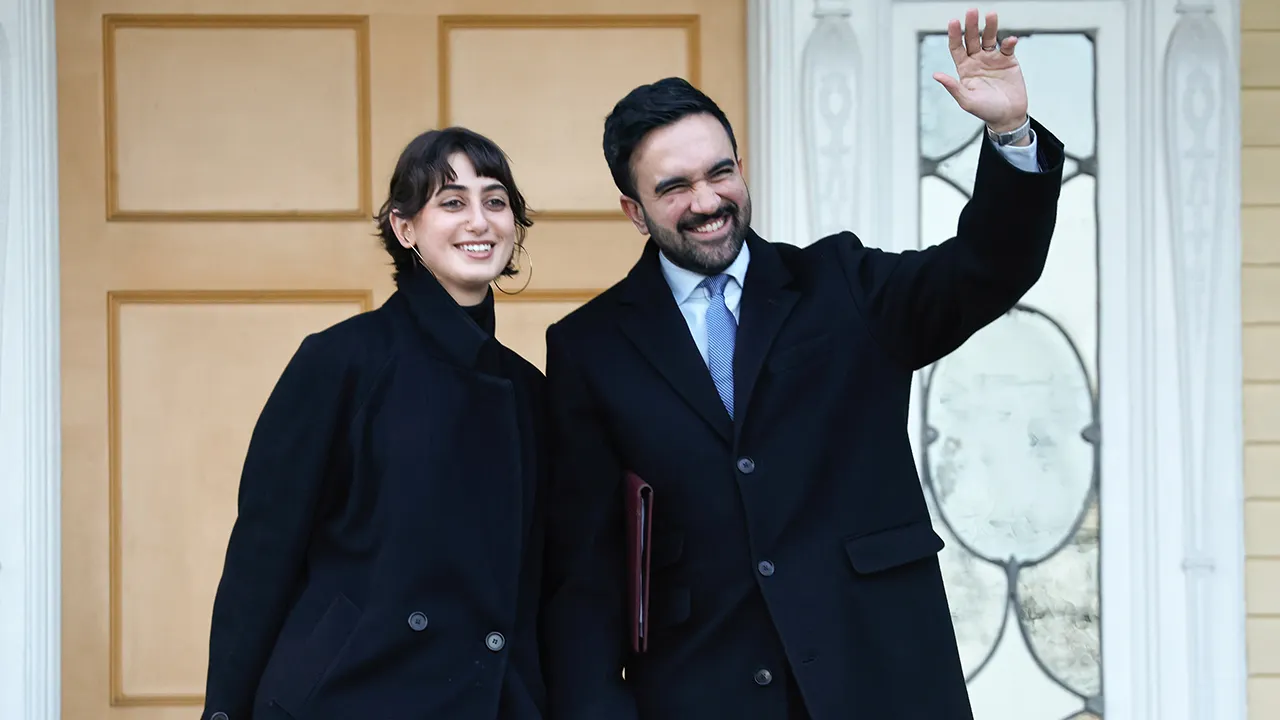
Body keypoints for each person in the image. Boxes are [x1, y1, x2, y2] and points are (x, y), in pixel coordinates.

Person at [539, 9, 1063, 720]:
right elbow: (585, 571)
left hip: (881, 678)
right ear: (635, 211)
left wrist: (1010, 134)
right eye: (675, 187)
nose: (707, 201)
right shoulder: (589, 347)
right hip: (703, 694)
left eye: (720, 172)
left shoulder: (841, 283)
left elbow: (988, 267)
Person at [201, 127, 549, 720]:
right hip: (349, 694)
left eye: (495, 201)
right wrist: (224, 711)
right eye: (452, 202)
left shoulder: (528, 392)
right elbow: (263, 555)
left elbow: (541, 584)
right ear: (404, 227)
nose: (479, 220)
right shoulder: (341, 360)